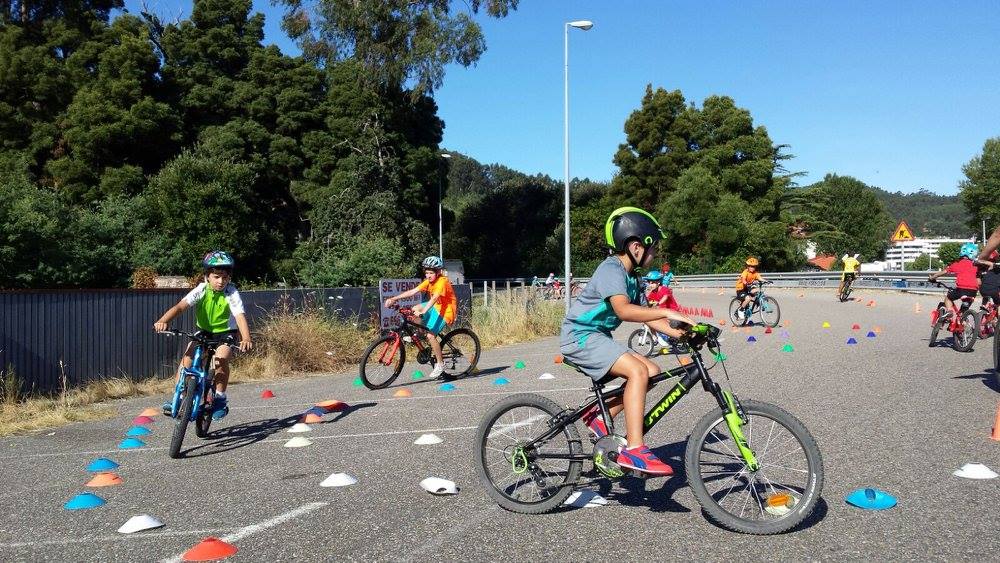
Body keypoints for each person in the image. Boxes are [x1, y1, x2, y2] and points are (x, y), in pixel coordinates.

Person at [560, 207, 695, 476]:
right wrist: (667, 311)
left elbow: (648, 317)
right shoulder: (611, 269)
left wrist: (687, 334)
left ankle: (600, 417)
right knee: (637, 371)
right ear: (635, 247)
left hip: (598, 337)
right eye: (653, 248)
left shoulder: (633, 277)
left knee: (652, 371)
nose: (655, 254)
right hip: (580, 336)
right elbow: (623, 310)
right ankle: (635, 449)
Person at [154, 251, 253, 419]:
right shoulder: (201, 290)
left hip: (225, 332)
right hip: (205, 332)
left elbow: (239, 316)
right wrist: (163, 320)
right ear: (207, 276)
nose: (221, 281)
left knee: (220, 359)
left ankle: (220, 398)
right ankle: (179, 397)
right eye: (216, 277)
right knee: (187, 358)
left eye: (225, 277)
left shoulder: (231, 293)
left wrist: (246, 338)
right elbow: (180, 307)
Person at [384, 256, 457, 379]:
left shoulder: (442, 281)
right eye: (426, 272)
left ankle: (440, 364)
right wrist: (393, 299)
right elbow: (413, 291)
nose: (428, 275)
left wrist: (423, 312)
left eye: (431, 273)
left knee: (431, 336)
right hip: (436, 307)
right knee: (414, 309)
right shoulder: (428, 281)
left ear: (438, 272)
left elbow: (434, 298)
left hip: (446, 310)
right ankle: (419, 334)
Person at [928, 242, 981, 319]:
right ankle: (964, 322)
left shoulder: (957, 264)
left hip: (961, 289)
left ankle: (949, 311)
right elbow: (979, 282)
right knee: (963, 312)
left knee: (948, 298)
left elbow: (944, 272)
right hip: (973, 291)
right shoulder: (976, 266)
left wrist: (932, 277)